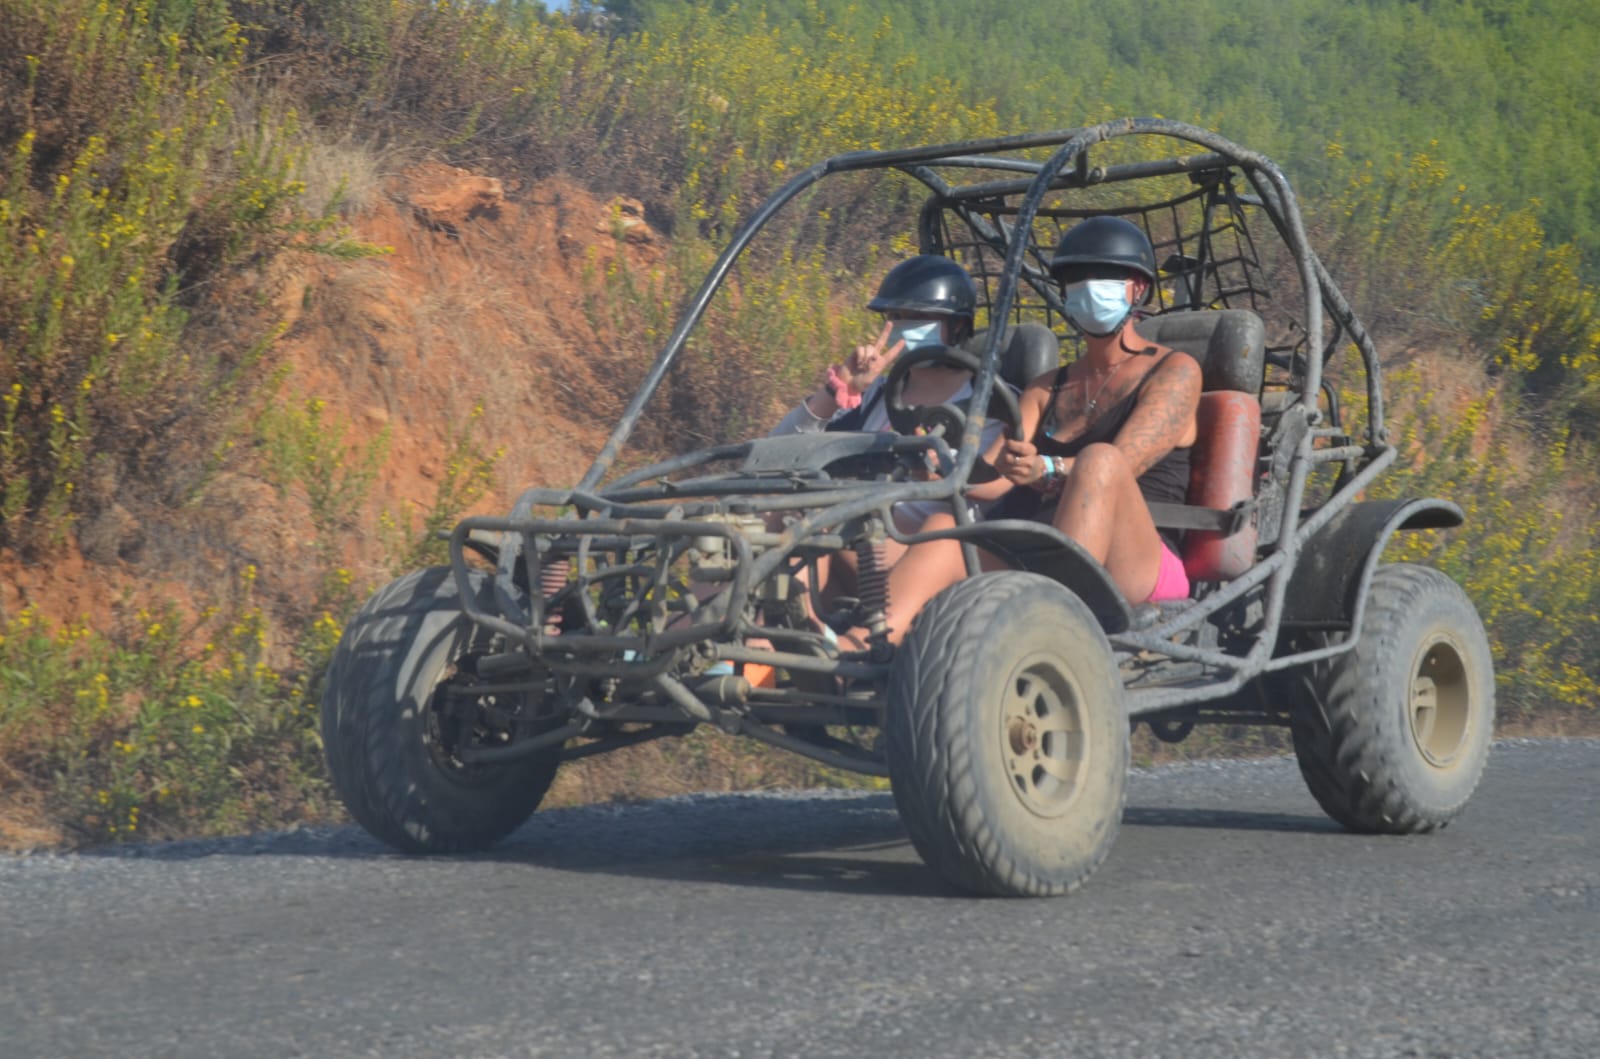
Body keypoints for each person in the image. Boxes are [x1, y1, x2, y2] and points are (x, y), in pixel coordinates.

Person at [833, 216, 1201, 650]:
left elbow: (1125, 459)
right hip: (1037, 552)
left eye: (1101, 278)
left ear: (1137, 289)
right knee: (944, 526)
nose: (1087, 289)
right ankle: (858, 650)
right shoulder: (1047, 386)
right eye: (1075, 280)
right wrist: (935, 466)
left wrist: (1046, 467)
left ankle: (1050, 624)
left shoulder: (1175, 371)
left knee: (1099, 461)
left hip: (1137, 559)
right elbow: (991, 477)